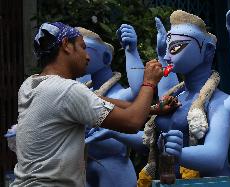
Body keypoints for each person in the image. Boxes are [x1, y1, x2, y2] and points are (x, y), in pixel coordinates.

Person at [10, 22, 176, 187]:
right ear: (66, 45)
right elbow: (132, 122)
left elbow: (103, 102)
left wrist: (154, 109)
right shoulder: (67, 90)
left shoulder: (30, 85)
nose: (87, 56)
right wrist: (149, 82)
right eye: (82, 47)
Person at [134, 3, 230, 179]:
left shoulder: (219, 103)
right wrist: (110, 129)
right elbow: (148, 142)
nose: (167, 56)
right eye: (167, 49)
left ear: (208, 50)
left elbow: (215, 156)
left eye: (175, 47)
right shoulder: (174, 97)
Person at [75, 26, 183, 187]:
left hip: (113, 168)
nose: (83, 55)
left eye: (86, 48)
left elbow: (138, 91)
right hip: (83, 168)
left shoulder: (116, 95)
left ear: (105, 57)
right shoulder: (79, 92)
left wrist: (131, 50)